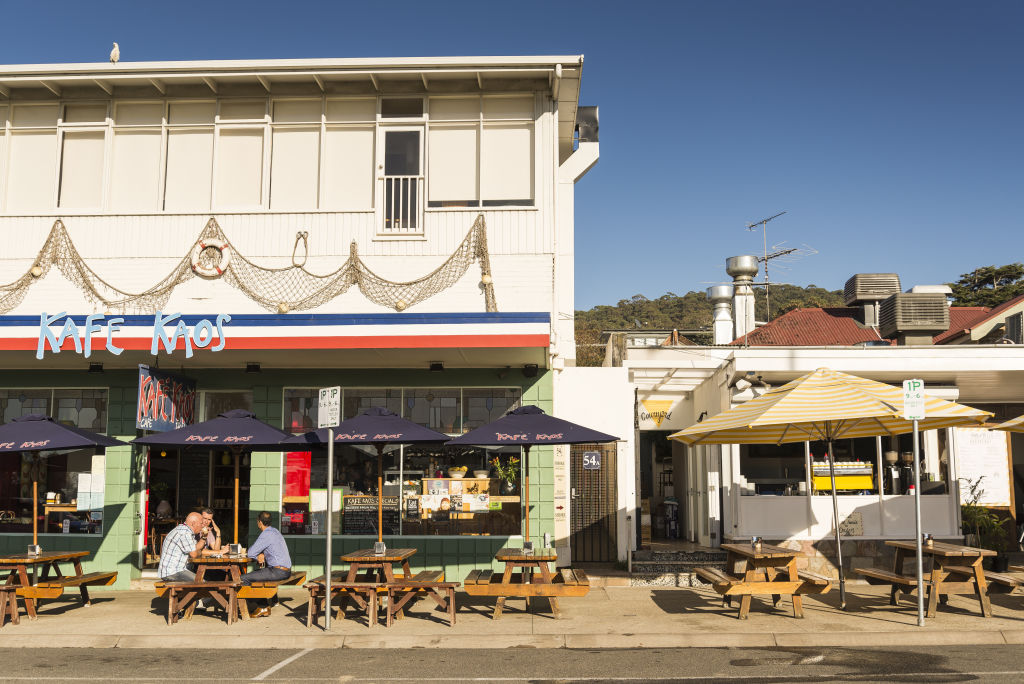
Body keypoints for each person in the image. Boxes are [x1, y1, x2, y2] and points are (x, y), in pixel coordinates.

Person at [239, 511, 292, 618]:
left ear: (259, 522)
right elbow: (271, 547)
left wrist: (258, 555)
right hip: (286, 570)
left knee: (243, 579)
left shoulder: (266, 534)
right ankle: (274, 600)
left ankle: (263, 606)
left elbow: (251, 553)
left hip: (278, 571)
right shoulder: (275, 531)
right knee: (257, 574)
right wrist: (262, 553)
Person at [157, 512, 208, 582]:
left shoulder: (186, 531)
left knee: (203, 579)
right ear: (193, 523)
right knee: (202, 583)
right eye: (201, 523)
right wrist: (198, 551)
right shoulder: (184, 533)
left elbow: (196, 549)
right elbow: (194, 554)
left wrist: (204, 537)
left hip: (175, 571)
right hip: (172, 572)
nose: (202, 526)